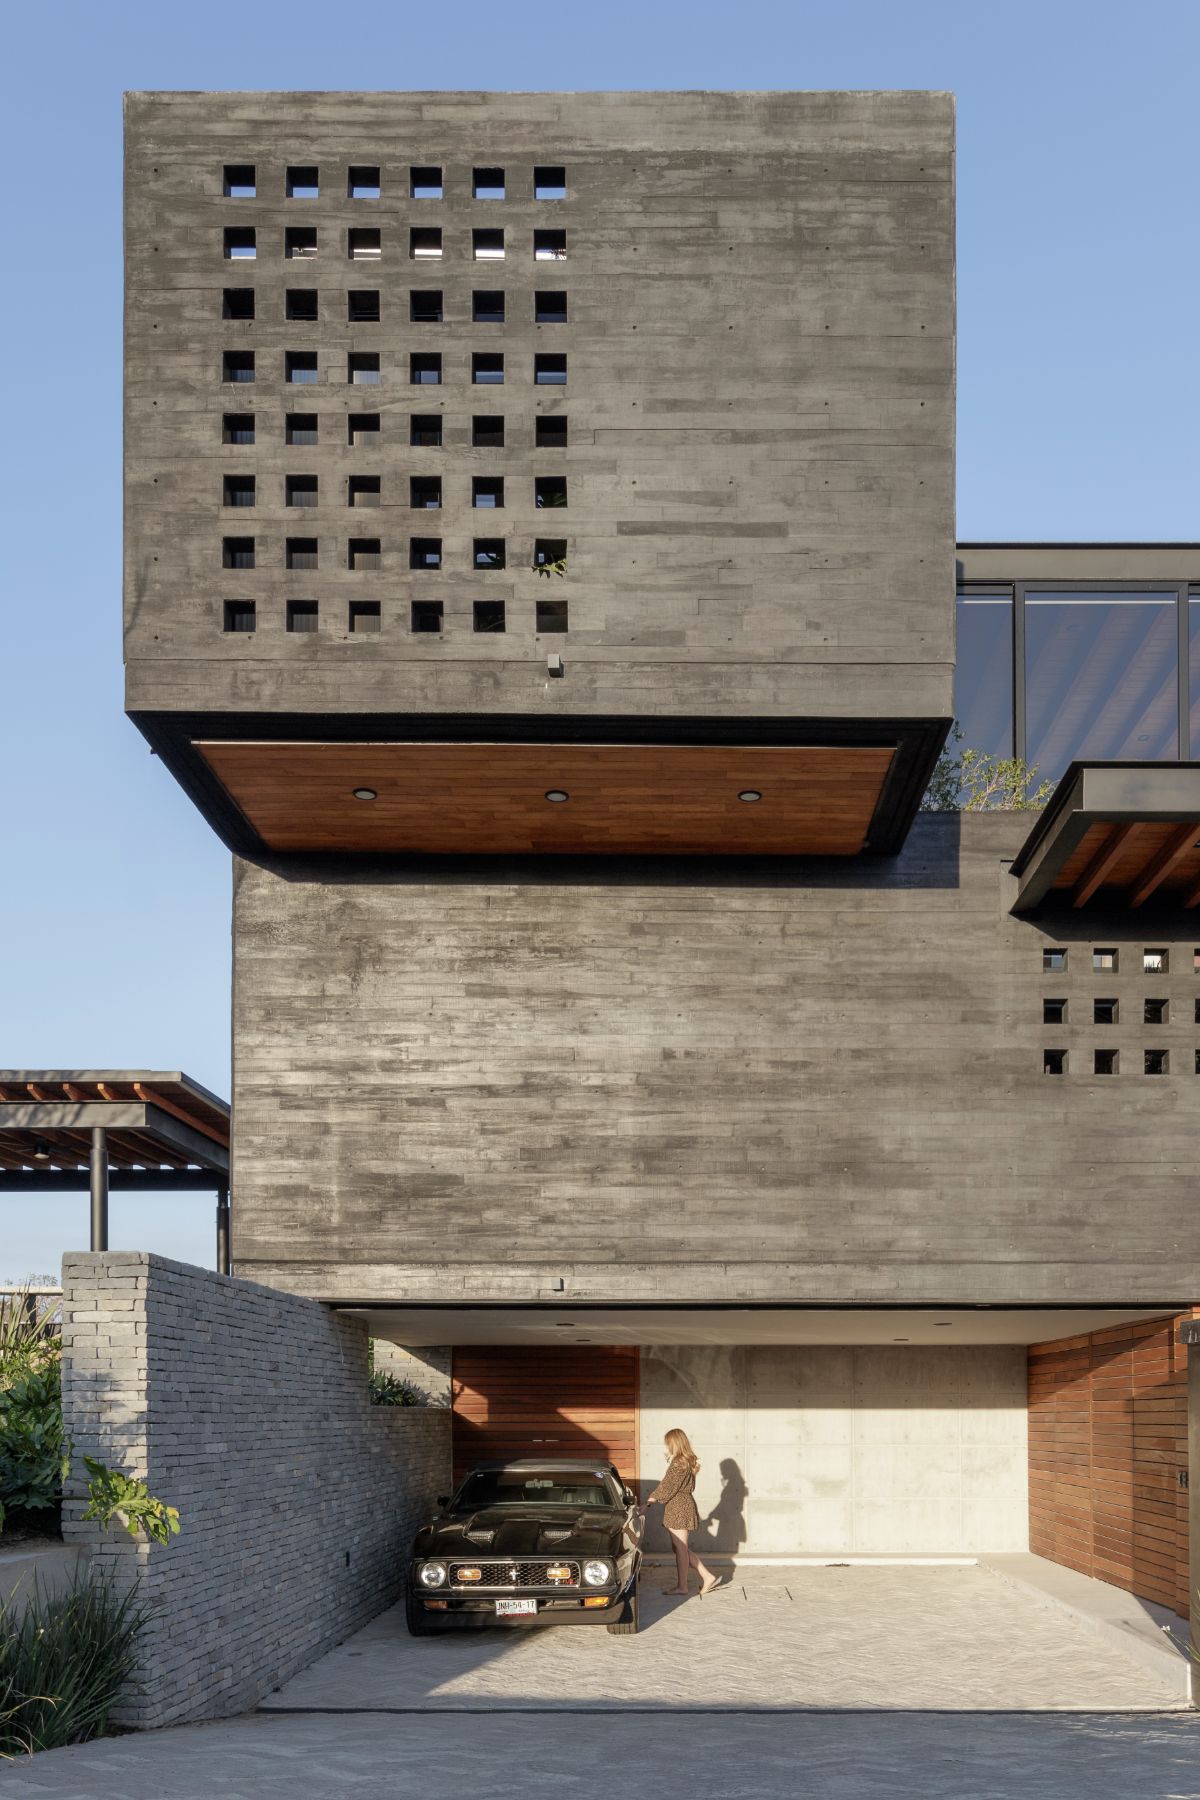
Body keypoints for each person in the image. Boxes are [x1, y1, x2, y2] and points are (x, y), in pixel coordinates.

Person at [643, 1427, 719, 1596]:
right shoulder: (686, 1461)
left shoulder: (678, 1463)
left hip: (678, 1506)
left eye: (668, 1443)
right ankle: (705, 1577)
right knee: (679, 1548)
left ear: (674, 1443)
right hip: (682, 1504)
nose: (667, 1447)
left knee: (680, 1548)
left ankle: (687, 1585)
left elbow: (667, 1486)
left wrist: (649, 1503)